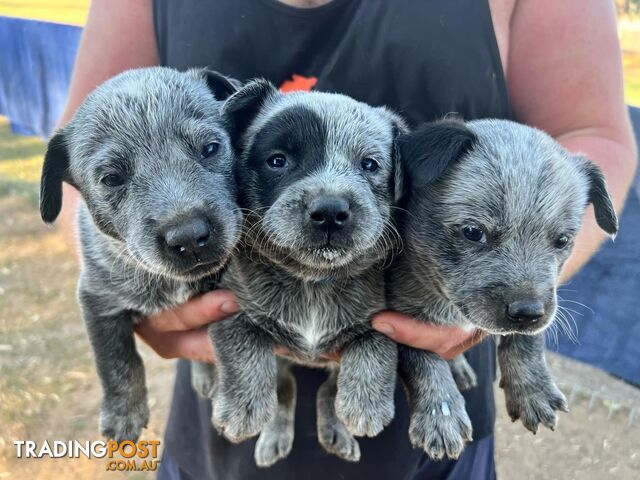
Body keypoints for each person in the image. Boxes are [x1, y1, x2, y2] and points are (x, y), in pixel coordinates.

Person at [55, 0, 637, 478]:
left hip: (433, 378)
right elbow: (81, 154)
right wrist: (133, 277)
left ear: (397, 167)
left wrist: (504, 297)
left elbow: (589, 135)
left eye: (370, 168)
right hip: (223, 386)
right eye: (277, 158)